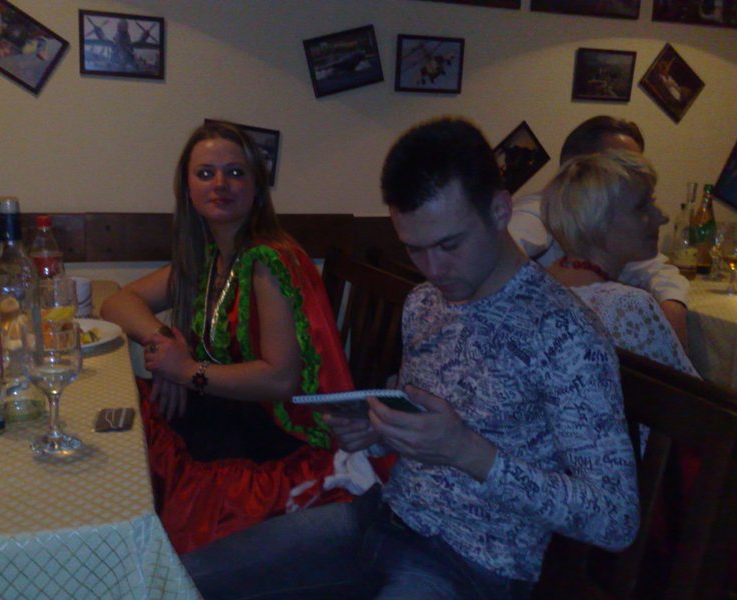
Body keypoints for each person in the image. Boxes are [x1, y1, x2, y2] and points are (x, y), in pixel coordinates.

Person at [180, 116, 639, 599]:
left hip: (472, 565)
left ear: (500, 209)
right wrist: (377, 433)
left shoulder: (565, 334)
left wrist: (468, 452)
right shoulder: (424, 303)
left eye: (449, 244)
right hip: (381, 517)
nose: (434, 269)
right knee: (178, 579)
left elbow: (615, 518)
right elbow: (417, 425)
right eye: (415, 249)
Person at [100, 121, 374, 554]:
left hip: (272, 433)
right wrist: (164, 343)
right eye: (205, 173)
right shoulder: (212, 255)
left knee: (130, 444)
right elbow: (117, 303)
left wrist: (186, 371)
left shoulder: (268, 259)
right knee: (121, 421)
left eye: (235, 172)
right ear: (187, 188)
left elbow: (280, 379)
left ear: (257, 187)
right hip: (227, 408)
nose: (220, 184)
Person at [508, 115, 690, 348]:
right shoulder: (538, 210)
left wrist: (672, 306)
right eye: (620, 165)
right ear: (578, 168)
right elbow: (491, 264)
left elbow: (656, 270)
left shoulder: (617, 227)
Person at [542, 149, 697, 377]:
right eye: (642, 206)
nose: (662, 217)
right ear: (598, 220)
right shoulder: (626, 306)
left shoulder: (542, 284)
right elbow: (684, 391)